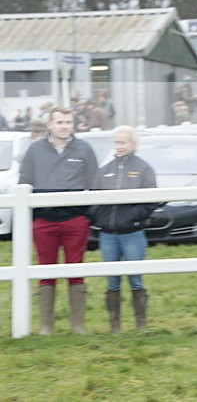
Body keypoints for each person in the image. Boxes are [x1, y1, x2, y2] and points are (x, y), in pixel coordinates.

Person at [18, 106, 98, 335]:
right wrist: (34, 217)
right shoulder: (35, 151)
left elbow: (94, 182)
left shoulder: (84, 149)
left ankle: (77, 325)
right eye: (60, 122)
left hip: (75, 220)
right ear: (50, 125)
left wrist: (86, 215)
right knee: (46, 270)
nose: (65, 127)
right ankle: (46, 326)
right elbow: (25, 182)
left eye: (68, 122)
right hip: (44, 221)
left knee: (76, 269)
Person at [88, 126, 158, 332]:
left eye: (123, 142)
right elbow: (93, 199)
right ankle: (115, 326)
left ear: (133, 144)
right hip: (108, 234)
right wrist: (100, 218)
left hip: (132, 234)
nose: (118, 146)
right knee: (112, 281)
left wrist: (131, 217)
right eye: (116, 142)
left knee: (136, 279)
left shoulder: (144, 169)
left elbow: (151, 201)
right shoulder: (104, 170)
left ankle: (141, 325)